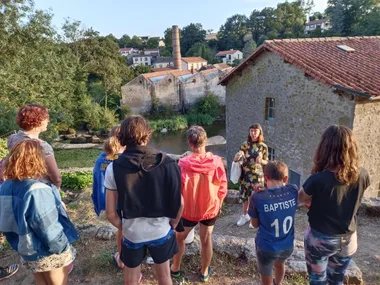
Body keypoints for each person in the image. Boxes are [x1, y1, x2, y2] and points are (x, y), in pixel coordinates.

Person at [105, 115, 183, 285]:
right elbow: (180, 203)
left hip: (132, 233)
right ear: (147, 135)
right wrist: (174, 223)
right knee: (164, 277)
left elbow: (110, 213)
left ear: (122, 137)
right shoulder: (168, 163)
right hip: (161, 229)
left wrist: (124, 226)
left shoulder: (114, 167)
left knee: (131, 279)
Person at [298, 125, 370, 285]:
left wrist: (312, 202)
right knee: (336, 280)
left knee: (318, 281)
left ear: (325, 148)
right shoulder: (363, 175)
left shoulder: (317, 180)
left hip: (321, 239)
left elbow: (301, 199)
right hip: (348, 238)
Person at [0, 140, 79, 285]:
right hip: (46, 249)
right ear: (37, 160)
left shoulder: (5, 187)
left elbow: (5, 221)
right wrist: (61, 246)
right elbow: (46, 226)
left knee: (40, 280)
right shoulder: (37, 189)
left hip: (24, 247)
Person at [171, 126, 227, 282]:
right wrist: (219, 204)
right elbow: (222, 187)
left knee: (179, 238)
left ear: (190, 144)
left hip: (188, 210)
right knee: (206, 238)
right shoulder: (216, 162)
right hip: (210, 208)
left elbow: (176, 190)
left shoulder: (182, 164)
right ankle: (204, 272)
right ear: (206, 141)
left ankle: (175, 267)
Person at [248, 161, 298, 285]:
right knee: (280, 263)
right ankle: (278, 283)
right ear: (286, 178)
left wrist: (260, 193)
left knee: (266, 274)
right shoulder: (293, 191)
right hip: (287, 245)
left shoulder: (257, 198)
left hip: (267, 247)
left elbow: (255, 225)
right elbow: (279, 191)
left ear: (265, 178)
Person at [2, 104, 61, 187]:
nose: (48, 121)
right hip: (38, 188)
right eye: (46, 118)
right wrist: (57, 189)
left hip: (17, 185)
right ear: (38, 121)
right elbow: (56, 177)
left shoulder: (12, 139)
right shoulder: (42, 146)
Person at [92, 125, 126, 269]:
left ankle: (122, 257)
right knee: (123, 231)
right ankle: (123, 259)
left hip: (108, 201)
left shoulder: (100, 160)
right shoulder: (122, 160)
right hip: (123, 202)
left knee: (122, 229)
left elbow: (96, 181)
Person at [234, 123, 268, 228]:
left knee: (256, 196)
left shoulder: (263, 146)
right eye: (251, 131)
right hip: (246, 174)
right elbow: (236, 159)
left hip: (257, 175)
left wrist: (261, 160)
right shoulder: (245, 145)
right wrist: (237, 157)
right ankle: (245, 215)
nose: (253, 133)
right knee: (245, 196)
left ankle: (255, 218)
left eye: (255, 131)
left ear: (259, 132)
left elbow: (266, 162)